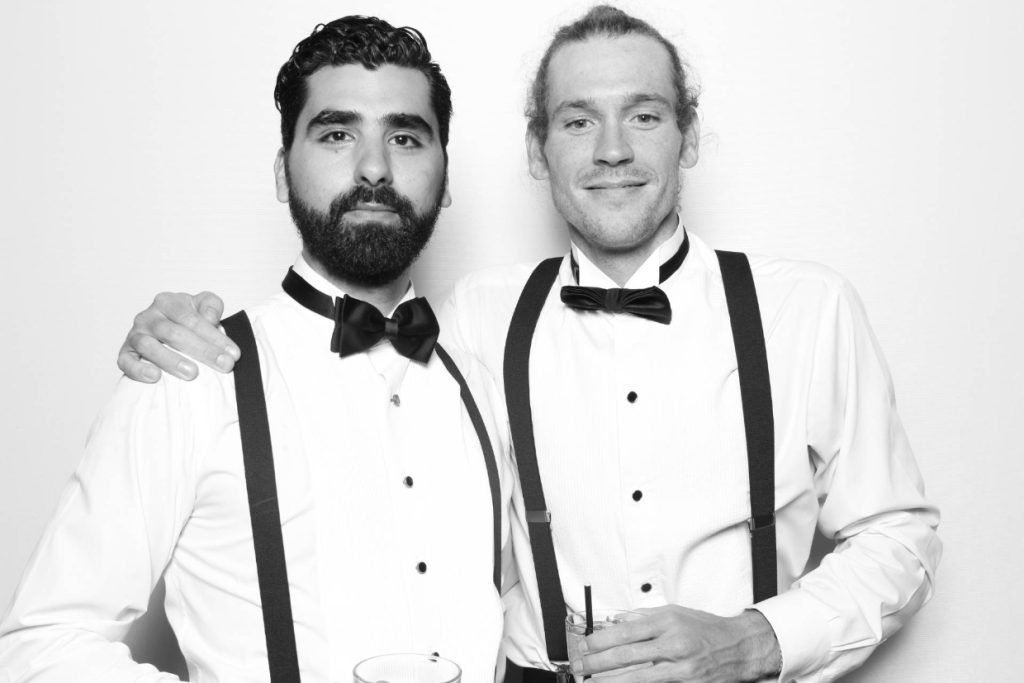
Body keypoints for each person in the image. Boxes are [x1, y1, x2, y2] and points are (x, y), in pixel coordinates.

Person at [115, 6, 942, 682]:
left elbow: (899, 532)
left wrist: (760, 637)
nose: (612, 149)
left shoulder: (809, 309)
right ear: (538, 150)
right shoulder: (472, 318)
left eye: (644, 116)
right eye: (578, 120)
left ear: (688, 137)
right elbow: (334, 340)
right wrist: (179, 332)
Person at [0, 15, 515, 683]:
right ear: (282, 171)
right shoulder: (191, 371)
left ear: (445, 178)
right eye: (336, 133)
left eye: (405, 136)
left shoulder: (481, 379)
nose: (373, 167)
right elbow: (41, 642)